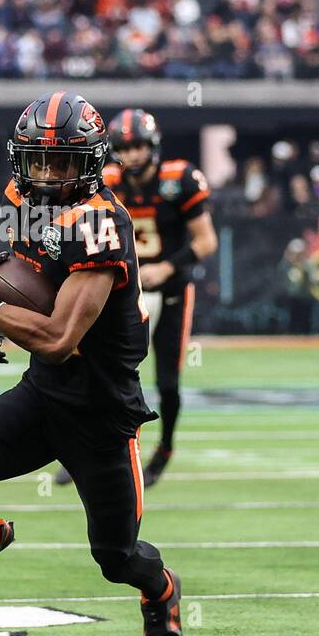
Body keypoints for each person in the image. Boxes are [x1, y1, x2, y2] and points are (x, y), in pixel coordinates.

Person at [0, 91, 182, 636]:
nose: (48, 175)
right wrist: (5, 321)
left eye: (62, 162)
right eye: (38, 161)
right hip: (43, 395)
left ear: (89, 162)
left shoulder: (100, 223)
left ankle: (160, 592)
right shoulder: (22, 198)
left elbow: (61, 340)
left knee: (116, 558)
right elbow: (28, 267)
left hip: (101, 411)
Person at [56, 108, 217, 488]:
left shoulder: (179, 180)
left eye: (139, 146)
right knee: (96, 370)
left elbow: (206, 241)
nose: (132, 154)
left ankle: (164, 449)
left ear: (153, 145)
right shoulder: (106, 181)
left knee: (166, 380)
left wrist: (167, 268)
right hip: (123, 293)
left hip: (170, 291)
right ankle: (86, 450)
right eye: (126, 147)